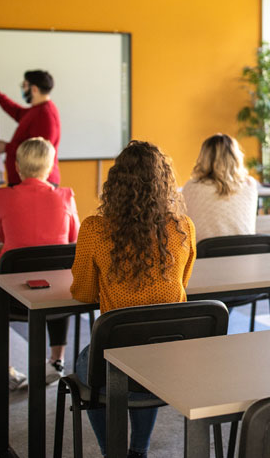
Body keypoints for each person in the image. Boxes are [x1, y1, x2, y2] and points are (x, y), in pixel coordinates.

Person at [71, 141, 196, 458]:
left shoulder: (94, 229)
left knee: (87, 363)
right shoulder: (183, 228)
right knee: (149, 339)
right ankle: (138, 450)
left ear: (115, 182)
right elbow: (179, 288)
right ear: (163, 182)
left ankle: (110, 452)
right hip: (172, 359)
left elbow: (84, 293)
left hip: (118, 360)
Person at [0, 137, 79, 390]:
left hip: (10, 296)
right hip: (56, 298)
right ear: (50, 166)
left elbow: (2, 236)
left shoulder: (3, 196)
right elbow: (73, 240)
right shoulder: (66, 196)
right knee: (56, 280)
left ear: (18, 167)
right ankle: (56, 361)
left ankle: (5, 368)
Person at [0, 70, 61, 186]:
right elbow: (16, 111)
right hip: (25, 182)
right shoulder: (36, 110)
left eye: (24, 86)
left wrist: (7, 147)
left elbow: (39, 151)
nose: (23, 89)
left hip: (38, 183)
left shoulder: (46, 114)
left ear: (34, 89)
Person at [182, 133, 258, 241]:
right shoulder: (250, 184)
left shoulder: (191, 187)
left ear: (203, 158)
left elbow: (184, 225)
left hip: (207, 254)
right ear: (235, 157)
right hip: (245, 253)